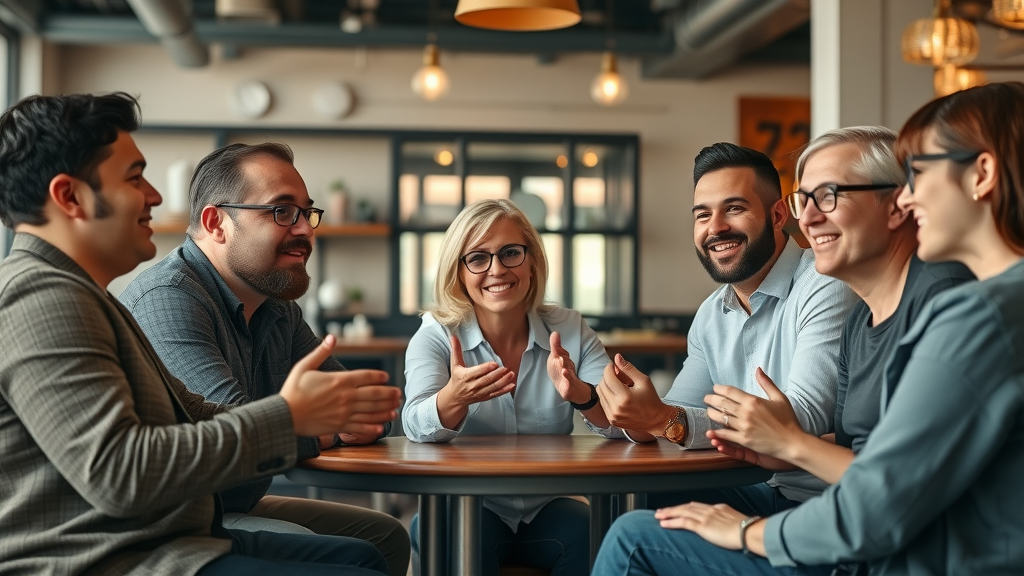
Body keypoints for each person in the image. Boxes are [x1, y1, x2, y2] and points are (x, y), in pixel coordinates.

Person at [595, 82, 1024, 576]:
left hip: (897, 553)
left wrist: (749, 523)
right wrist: (781, 447)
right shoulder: (869, 318)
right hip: (872, 530)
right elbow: (868, 463)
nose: (911, 194)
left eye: (920, 172)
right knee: (662, 507)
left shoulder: (965, 309)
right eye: (806, 200)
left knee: (634, 538)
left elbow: (884, 498)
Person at [0, 92, 401, 576]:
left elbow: (190, 413)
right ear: (69, 197)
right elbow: (120, 474)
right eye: (134, 178)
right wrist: (293, 417)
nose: (154, 196)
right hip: (111, 557)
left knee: (363, 553)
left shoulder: (88, 294)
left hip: (157, 537)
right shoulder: (40, 297)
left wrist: (309, 417)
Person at [119, 143, 410, 576]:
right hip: (181, 516)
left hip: (235, 498)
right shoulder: (169, 300)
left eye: (307, 213)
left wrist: (316, 422)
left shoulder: (277, 307)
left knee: (386, 535)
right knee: (330, 553)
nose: (305, 230)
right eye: (281, 211)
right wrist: (317, 429)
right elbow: (234, 443)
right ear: (216, 223)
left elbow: (370, 407)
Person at [597, 143, 857, 514]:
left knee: (633, 532)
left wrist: (663, 419)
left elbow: (802, 418)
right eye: (702, 216)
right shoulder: (710, 313)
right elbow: (679, 411)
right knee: (627, 500)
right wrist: (633, 415)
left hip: (818, 503)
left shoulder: (824, 282)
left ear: (779, 213)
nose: (715, 228)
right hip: (751, 487)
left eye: (734, 209)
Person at [402, 198, 612, 576]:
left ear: (532, 261)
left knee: (596, 531)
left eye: (510, 253)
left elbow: (622, 417)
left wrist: (582, 395)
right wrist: (454, 397)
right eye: (478, 258)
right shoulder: (436, 334)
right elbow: (414, 423)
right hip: (469, 502)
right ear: (459, 272)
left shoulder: (570, 329)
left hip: (548, 506)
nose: (497, 270)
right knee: (441, 528)